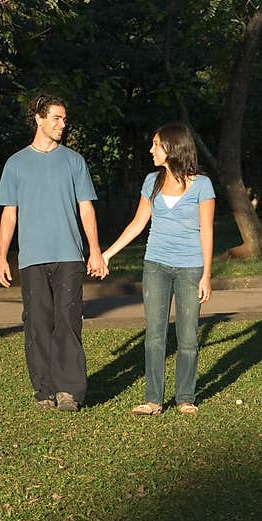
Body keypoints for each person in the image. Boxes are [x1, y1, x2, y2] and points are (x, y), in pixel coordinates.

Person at [0, 94, 106, 411]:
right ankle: (45, 391)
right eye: (56, 118)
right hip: (31, 259)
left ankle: (70, 391)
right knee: (37, 324)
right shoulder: (15, 164)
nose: (62, 124)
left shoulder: (74, 162)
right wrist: (2, 257)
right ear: (39, 119)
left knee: (68, 322)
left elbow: (86, 209)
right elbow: (9, 214)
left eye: (64, 119)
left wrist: (94, 250)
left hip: (69, 256)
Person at [101, 121, 215, 415]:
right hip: (156, 266)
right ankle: (153, 400)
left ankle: (185, 398)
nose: (151, 150)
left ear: (172, 148)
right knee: (155, 334)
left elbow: (206, 231)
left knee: (188, 336)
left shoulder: (202, 185)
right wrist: (107, 254)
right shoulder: (151, 181)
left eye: (156, 144)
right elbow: (138, 224)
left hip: (191, 268)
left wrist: (206, 275)